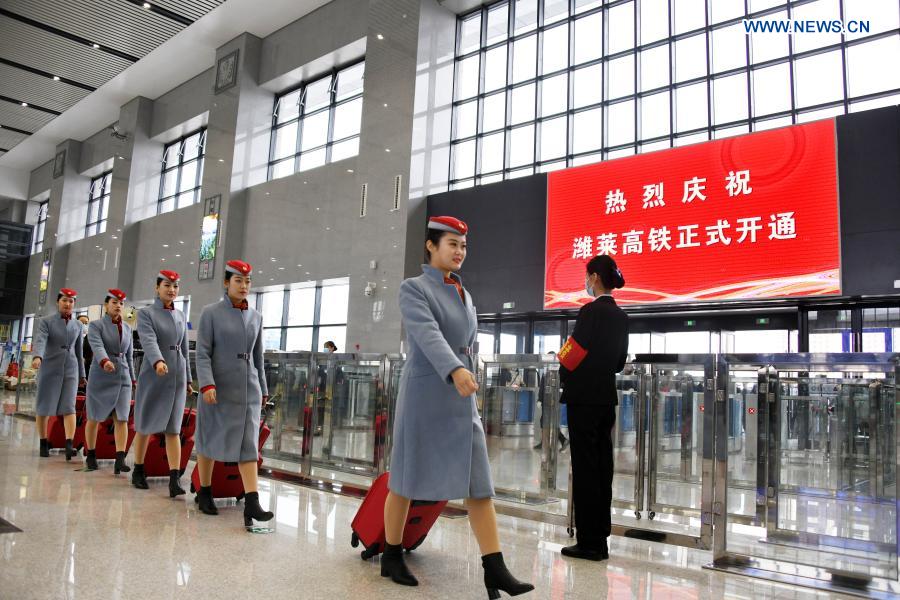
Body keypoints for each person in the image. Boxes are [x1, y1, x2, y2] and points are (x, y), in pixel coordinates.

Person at [382, 216, 533, 598]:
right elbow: (428, 335)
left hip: (462, 398)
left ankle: (494, 567)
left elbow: (465, 342)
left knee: (478, 484)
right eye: (452, 244)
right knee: (406, 479)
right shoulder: (413, 289)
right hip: (427, 395)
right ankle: (391, 553)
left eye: (463, 246)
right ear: (431, 246)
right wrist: (454, 369)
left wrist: (464, 371)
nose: (459, 252)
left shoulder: (465, 295)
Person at [558, 255, 629, 562]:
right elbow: (619, 363)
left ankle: (588, 542)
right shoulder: (621, 317)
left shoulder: (590, 312)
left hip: (583, 400)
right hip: (605, 399)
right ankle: (600, 537)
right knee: (603, 468)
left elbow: (571, 353)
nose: (586, 282)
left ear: (595, 278)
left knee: (585, 469)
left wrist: (559, 361)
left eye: (587, 276)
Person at [194, 260, 273, 529]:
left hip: (247, 390)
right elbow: (202, 353)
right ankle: (204, 490)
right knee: (209, 438)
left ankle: (252, 502)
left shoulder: (256, 316)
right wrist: (207, 384)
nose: (244, 286)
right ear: (226, 283)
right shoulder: (210, 313)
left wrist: (262, 388)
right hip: (216, 390)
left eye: (248, 281)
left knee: (248, 444)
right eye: (238, 281)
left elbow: (258, 357)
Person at [131, 270, 193, 496]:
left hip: (176, 376)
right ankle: (138, 469)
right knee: (145, 424)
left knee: (174, 428)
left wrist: (188, 378)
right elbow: (148, 340)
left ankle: (174, 478)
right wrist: (157, 361)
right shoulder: (146, 314)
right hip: (154, 374)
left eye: (175, 286)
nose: (172, 290)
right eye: (167, 285)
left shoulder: (179, 315)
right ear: (157, 287)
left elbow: (184, 349)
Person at [83, 289, 135, 474]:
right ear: (106, 305)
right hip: (101, 375)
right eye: (114, 302)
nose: (118, 306)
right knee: (94, 416)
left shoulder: (128, 328)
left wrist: (133, 378)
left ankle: (120, 459)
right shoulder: (96, 326)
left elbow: (129, 355)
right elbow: (96, 346)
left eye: (121, 303)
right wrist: (104, 361)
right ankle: (90, 454)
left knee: (122, 418)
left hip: (123, 377)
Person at [31, 288, 86, 460]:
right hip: (49, 368)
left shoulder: (78, 325)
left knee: (69, 407)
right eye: (64, 300)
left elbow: (79, 352)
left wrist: (82, 375)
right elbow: (41, 340)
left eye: (71, 301)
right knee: (44, 407)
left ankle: (69, 444)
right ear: (58, 302)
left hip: (71, 369)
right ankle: (42, 442)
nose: (68, 304)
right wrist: (38, 356)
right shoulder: (46, 321)